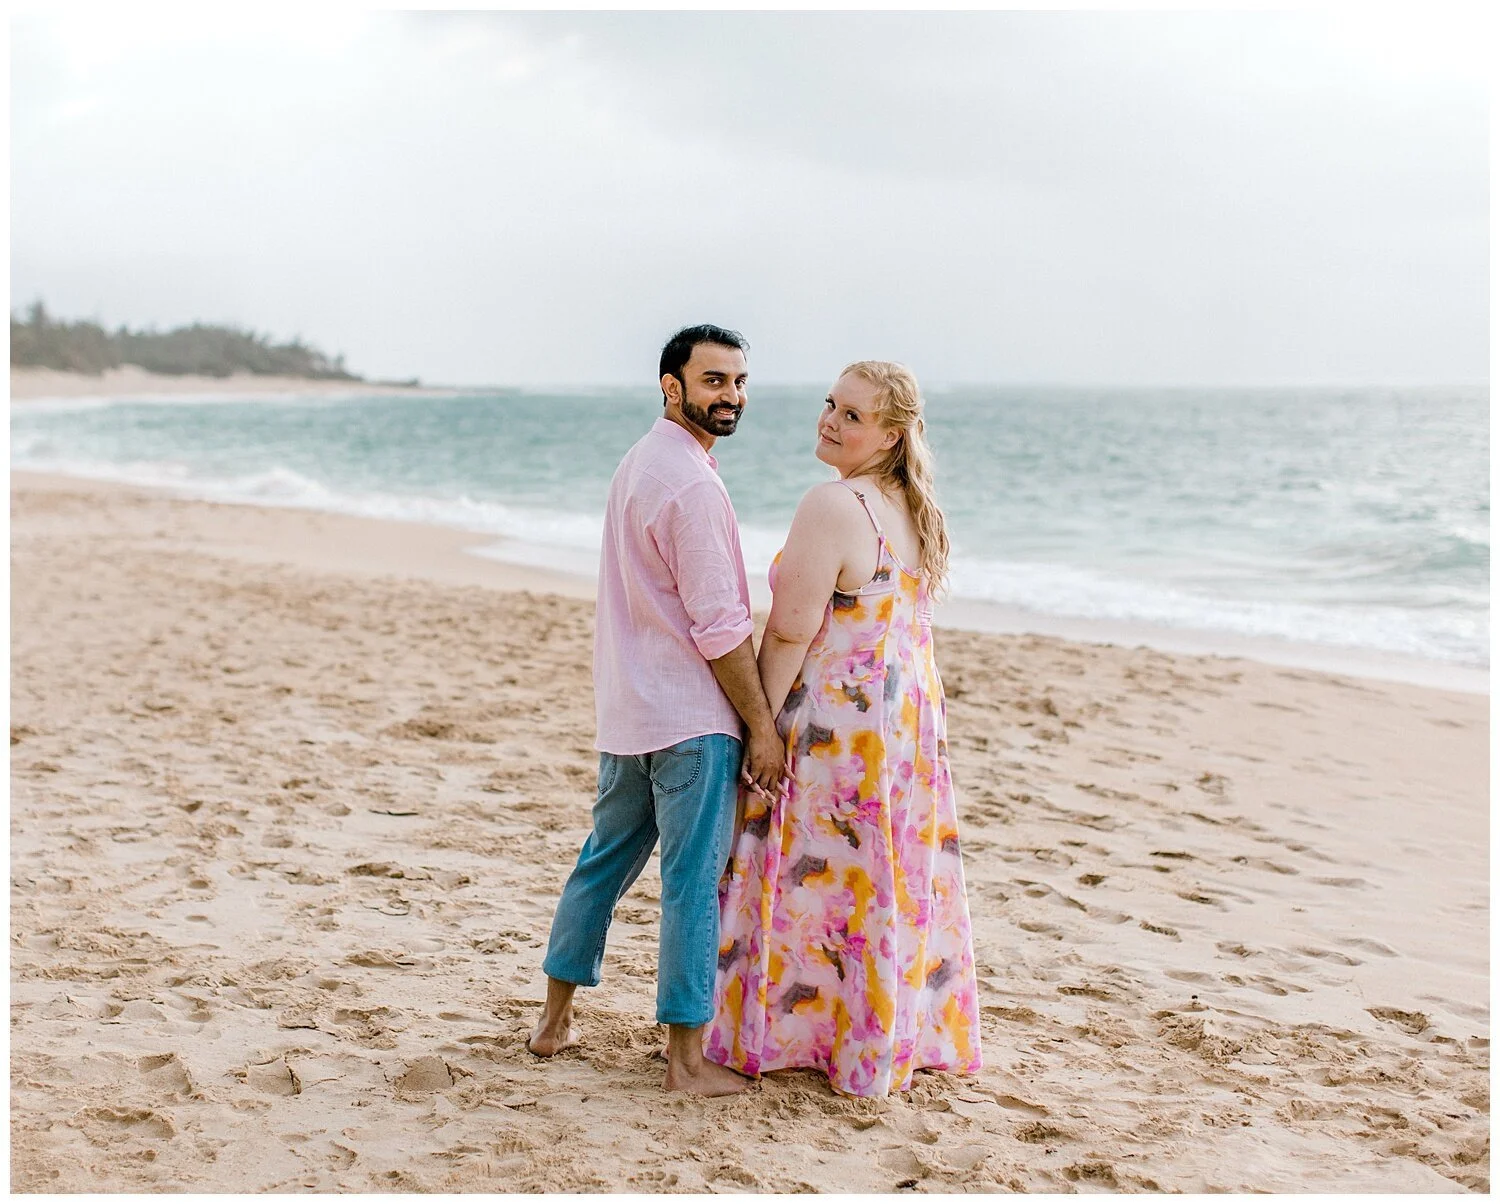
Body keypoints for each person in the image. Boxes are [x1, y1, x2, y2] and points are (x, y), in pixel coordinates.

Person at [704, 360, 982, 1098]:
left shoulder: (832, 505)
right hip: (902, 726)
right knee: (876, 881)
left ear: (891, 435)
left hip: (835, 723)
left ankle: (787, 1034)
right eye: (830, 405)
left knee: (805, 878)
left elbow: (792, 632)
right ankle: (867, 1039)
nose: (829, 420)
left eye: (852, 415)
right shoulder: (912, 507)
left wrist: (756, 727)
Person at [528, 324, 783, 1097]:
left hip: (630, 712)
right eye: (713, 382)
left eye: (738, 381)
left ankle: (553, 1021)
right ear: (672, 387)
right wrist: (762, 725)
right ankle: (685, 1062)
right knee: (690, 886)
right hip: (689, 721)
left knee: (601, 865)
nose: (731, 396)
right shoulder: (694, 486)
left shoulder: (640, 463)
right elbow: (720, 627)